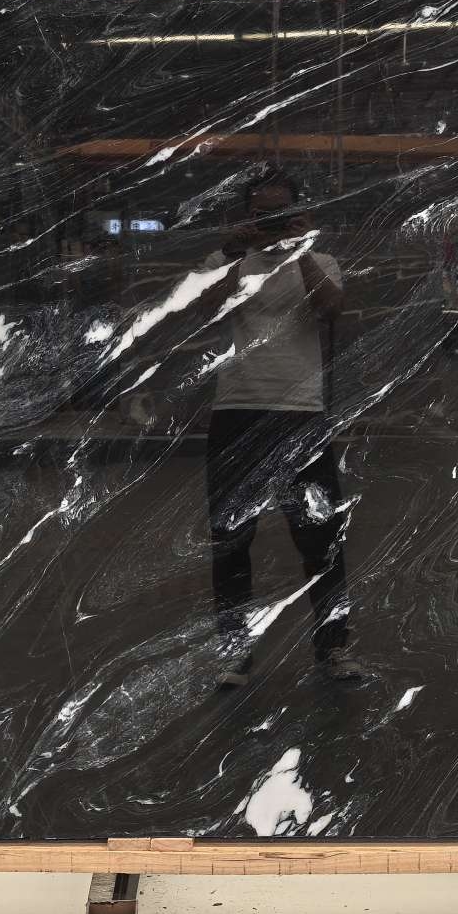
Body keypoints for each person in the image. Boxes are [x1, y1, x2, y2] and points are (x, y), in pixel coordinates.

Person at [197, 168, 362, 687]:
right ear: (247, 215)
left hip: (300, 414)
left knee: (321, 537)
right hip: (237, 409)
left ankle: (333, 649)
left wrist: (301, 249)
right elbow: (205, 311)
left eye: (278, 213)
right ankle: (234, 654)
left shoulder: (321, 261)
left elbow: (330, 309)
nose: (269, 222)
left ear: (297, 213)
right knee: (231, 539)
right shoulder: (225, 261)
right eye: (260, 213)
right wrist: (233, 252)